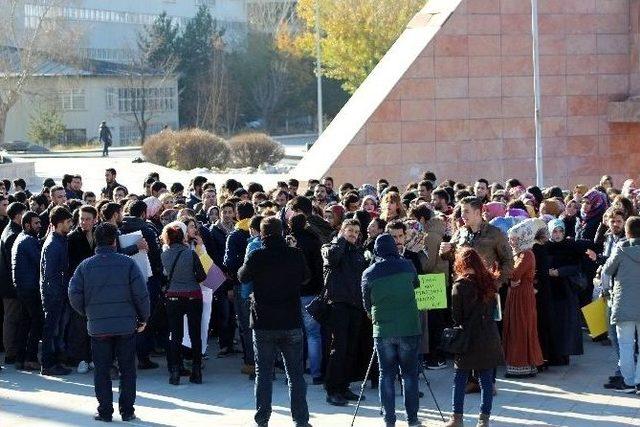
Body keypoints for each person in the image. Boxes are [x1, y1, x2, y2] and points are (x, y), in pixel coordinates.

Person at [68, 223, 150, 422]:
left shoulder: (85, 266)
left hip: (98, 327)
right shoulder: (128, 263)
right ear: (115, 241)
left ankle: (104, 410)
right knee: (127, 369)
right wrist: (143, 318)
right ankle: (127, 410)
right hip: (125, 326)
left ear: (96, 240)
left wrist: (88, 313)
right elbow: (141, 294)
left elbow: (74, 293)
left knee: (102, 370)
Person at [238, 217, 311, 427]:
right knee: (295, 374)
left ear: (261, 235)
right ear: (283, 232)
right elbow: (306, 277)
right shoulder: (295, 254)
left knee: (263, 374)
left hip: (263, 322)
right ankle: (301, 420)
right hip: (290, 320)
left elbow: (242, 276)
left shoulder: (257, 255)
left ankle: (262, 420)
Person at [362, 233, 422, 427]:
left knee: (386, 374)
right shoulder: (407, 265)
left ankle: (389, 420)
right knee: (409, 374)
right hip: (409, 326)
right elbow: (416, 284)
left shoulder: (369, 272)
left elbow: (366, 303)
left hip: (383, 328)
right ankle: (412, 419)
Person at [445, 248, 504, 427]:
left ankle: (457, 419)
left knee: (460, 378)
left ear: (461, 263)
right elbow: (495, 310)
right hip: (489, 336)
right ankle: (483, 420)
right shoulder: (489, 281)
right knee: (486, 381)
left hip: (468, 338)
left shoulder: (459, 285)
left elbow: (457, 317)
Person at [322, 218, 368, 406]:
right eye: (350, 230)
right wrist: (340, 240)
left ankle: (344, 385)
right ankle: (332, 389)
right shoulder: (330, 247)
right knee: (338, 348)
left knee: (350, 348)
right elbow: (332, 260)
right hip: (338, 304)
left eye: (356, 232)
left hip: (355, 305)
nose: (353, 235)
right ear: (341, 230)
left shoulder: (358, 252)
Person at [161, 221, 206, 385]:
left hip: (173, 297)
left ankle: (174, 372)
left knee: (176, 335)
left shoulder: (164, 255)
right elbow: (202, 276)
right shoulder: (190, 254)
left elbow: (164, 275)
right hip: (193, 296)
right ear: (182, 238)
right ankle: (197, 371)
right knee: (195, 334)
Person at [603, 216, 640, 393]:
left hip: (623, 303)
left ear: (627, 232)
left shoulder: (620, 249)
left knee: (625, 345)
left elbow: (607, 271)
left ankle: (629, 382)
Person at [504, 220, 544, 377]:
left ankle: (521, 364)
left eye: (513, 238)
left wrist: (509, 274)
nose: (510, 241)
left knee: (520, 327)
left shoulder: (526, 254)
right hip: (517, 294)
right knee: (516, 326)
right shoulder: (520, 253)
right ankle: (521, 363)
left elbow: (513, 274)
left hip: (522, 296)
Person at [289, 213, 324, 385]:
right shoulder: (314, 241)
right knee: (313, 334)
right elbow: (319, 268)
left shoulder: (287, 241)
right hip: (311, 292)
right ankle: (316, 373)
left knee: (295, 334)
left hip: (292, 293)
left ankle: (296, 371)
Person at [40, 206, 73, 376]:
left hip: (58, 293)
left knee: (57, 330)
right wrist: (59, 293)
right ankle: (48, 364)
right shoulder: (53, 244)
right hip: (54, 295)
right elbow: (50, 275)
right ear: (59, 224)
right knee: (52, 330)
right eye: (68, 222)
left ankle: (56, 362)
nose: (70, 225)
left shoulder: (60, 240)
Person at [66, 205, 98, 373]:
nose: (84, 222)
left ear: (95, 220)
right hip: (79, 287)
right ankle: (81, 358)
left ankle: (92, 357)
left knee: (93, 325)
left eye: (87, 219)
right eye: (82, 219)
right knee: (79, 325)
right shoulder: (72, 238)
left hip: (96, 288)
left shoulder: (98, 235)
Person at [223, 201, 255, 364]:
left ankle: (250, 361)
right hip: (259, 286)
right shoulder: (259, 232)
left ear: (237, 214)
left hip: (240, 283)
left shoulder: (234, 236)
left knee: (245, 324)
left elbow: (228, 263)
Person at [12, 211, 43, 371]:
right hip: (30, 289)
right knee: (36, 321)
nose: (39, 226)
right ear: (27, 225)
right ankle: (30, 358)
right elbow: (40, 260)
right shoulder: (28, 240)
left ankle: (20, 358)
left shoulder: (23, 238)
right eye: (36, 223)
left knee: (25, 323)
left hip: (24, 288)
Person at [0, 202, 26, 366]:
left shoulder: (11, 230)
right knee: (11, 319)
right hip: (11, 286)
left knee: (12, 318)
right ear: (17, 216)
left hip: (9, 284)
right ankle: (10, 352)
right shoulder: (12, 235)